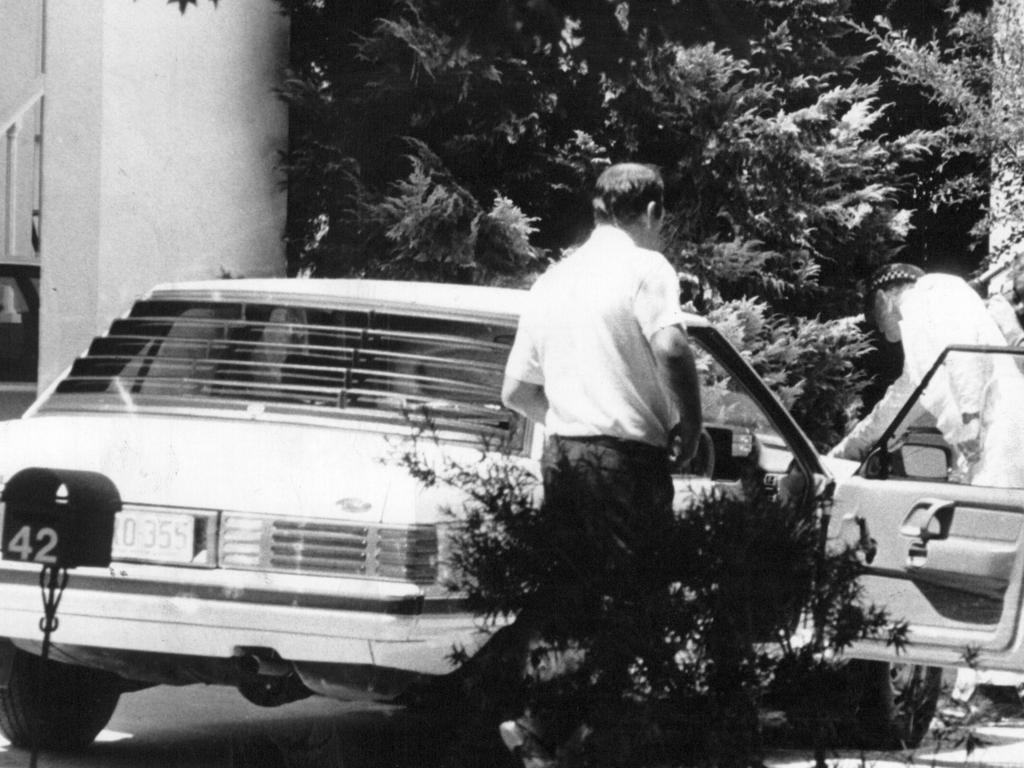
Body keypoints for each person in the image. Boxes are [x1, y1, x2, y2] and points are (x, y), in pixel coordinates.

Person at [499, 162, 703, 766]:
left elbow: (515, 392)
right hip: (625, 463)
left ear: (596, 212)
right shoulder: (647, 267)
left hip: (563, 458)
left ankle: (543, 727)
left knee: (572, 598)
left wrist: (572, 418)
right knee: (633, 600)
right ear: (651, 213)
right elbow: (671, 347)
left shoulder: (553, 280)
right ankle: (604, 740)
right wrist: (686, 427)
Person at [830, 263, 1024, 489]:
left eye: (873, 315)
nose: (878, 328)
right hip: (984, 442)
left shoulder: (933, 291)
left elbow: (963, 350)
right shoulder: (920, 330)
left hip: (998, 433)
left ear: (884, 298)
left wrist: (970, 418)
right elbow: (896, 405)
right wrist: (846, 451)